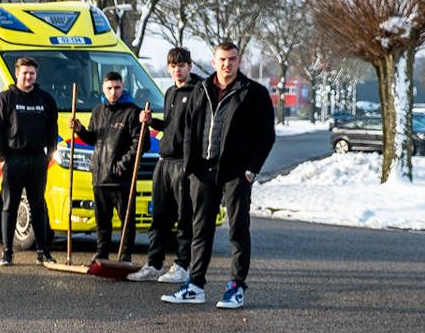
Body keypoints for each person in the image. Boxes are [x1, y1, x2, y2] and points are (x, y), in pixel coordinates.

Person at [162, 40, 276, 309]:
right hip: (203, 171)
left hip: (236, 173)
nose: (227, 64)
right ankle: (195, 285)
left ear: (239, 61)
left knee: (238, 230)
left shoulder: (253, 92)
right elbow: (190, 129)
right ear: (214, 62)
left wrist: (251, 169)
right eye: (222, 60)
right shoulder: (201, 89)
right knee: (200, 230)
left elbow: (266, 136)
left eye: (232, 59)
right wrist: (190, 167)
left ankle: (236, 287)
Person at [126, 47, 198, 283]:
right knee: (159, 216)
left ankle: (183, 265)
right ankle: (154, 264)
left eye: (182, 65)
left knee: (184, 217)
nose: (178, 70)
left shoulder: (198, 91)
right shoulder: (169, 92)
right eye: (173, 66)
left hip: (183, 163)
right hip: (163, 162)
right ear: (168, 68)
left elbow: (196, 130)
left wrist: (190, 163)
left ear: (190, 66)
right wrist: (151, 122)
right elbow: (170, 125)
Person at [69, 70, 146, 260]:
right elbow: (93, 139)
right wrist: (80, 130)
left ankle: (125, 255)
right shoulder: (98, 111)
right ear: (103, 89)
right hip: (99, 175)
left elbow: (141, 143)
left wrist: (121, 166)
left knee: (126, 220)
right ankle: (101, 253)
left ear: (123, 88)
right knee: (102, 220)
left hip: (121, 178)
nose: (113, 92)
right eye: (109, 88)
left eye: (117, 88)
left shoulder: (133, 112)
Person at [0, 56, 59, 265]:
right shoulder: (5, 99)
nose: (28, 77)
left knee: (38, 206)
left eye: (32, 73)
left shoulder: (45, 100)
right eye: (25, 73)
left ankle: (42, 252)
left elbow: (52, 129)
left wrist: (49, 155)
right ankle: (7, 252)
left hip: (37, 159)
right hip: (13, 158)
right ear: (17, 74)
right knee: (9, 206)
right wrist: (3, 158)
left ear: (36, 75)